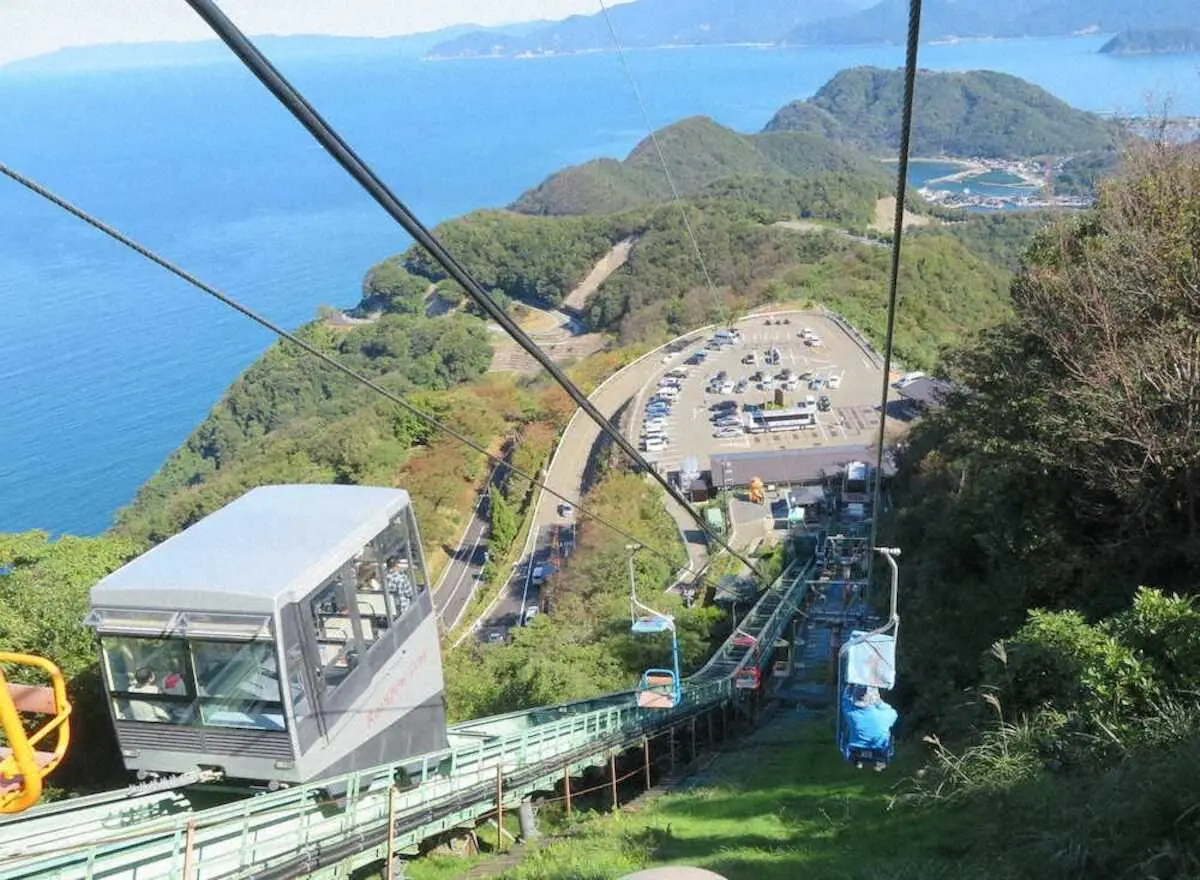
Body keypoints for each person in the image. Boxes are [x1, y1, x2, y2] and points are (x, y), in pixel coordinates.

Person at [843, 685, 898, 771]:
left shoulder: (850, 712)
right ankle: (880, 762)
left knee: (848, 727)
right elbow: (894, 714)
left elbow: (845, 699)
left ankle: (857, 761)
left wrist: (849, 686)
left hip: (856, 747)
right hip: (879, 748)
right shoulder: (886, 714)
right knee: (887, 730)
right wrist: (880, 704)